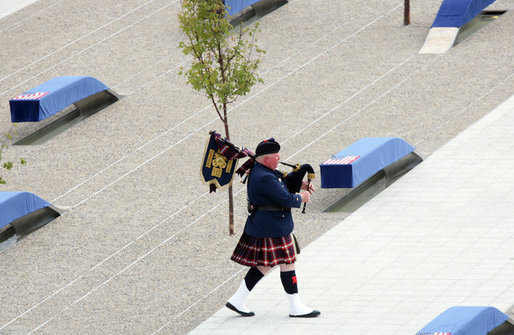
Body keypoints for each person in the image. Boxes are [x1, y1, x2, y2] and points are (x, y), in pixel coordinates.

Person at [226, 138, 320, 318]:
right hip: (272, 226)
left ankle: (237, 299)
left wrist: (301, 184)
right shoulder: (264, 177)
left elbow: (282, 182)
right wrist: (302, 197)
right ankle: (295, 306)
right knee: (287, 261)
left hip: (268, 224)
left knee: (264, 265)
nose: (279, 158)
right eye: (275, 156)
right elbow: (284, 198)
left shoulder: (264, 170)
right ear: (266, 159)